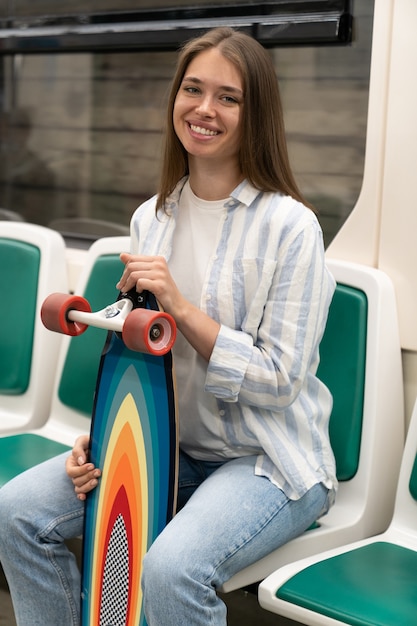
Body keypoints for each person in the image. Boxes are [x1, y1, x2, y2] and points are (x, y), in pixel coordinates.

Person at [0, 26, 337, 626]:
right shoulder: (150, 218)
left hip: (268, 460)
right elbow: (138, 353)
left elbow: (281, 380)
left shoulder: (293, 228)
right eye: (192, 90)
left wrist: (181, 308)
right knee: (17, 514)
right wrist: (100, 437)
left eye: (228, 98)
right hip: (166, 444)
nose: (204, 110)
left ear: (255, 112)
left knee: (170, 569)